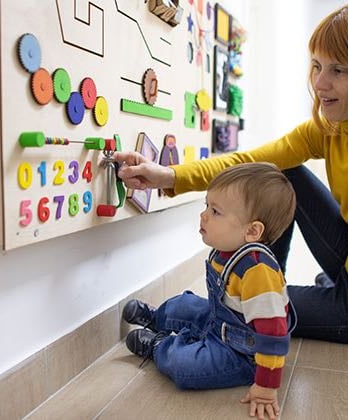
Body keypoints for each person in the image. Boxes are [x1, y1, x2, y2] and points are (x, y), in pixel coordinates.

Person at [114, 0, 348, 407]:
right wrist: (170, 176)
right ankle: (262, 281)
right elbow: (249, 162)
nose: (320, 83)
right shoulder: (335, 126)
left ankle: (235, 309)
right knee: (277, 174)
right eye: (317, 66)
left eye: (339, 70)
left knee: (252, 316)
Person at [122, 162, 297, 420]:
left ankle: (160, 347)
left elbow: (274, 336)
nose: (203, 215)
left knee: (185, 367)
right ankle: (157, 318)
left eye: (215, 211)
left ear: (252, 231)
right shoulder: (227, 249)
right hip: (219, 323)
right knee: (184, 304)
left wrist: (265, 387)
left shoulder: (259, 274)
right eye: (206, 206)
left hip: (241, 354)